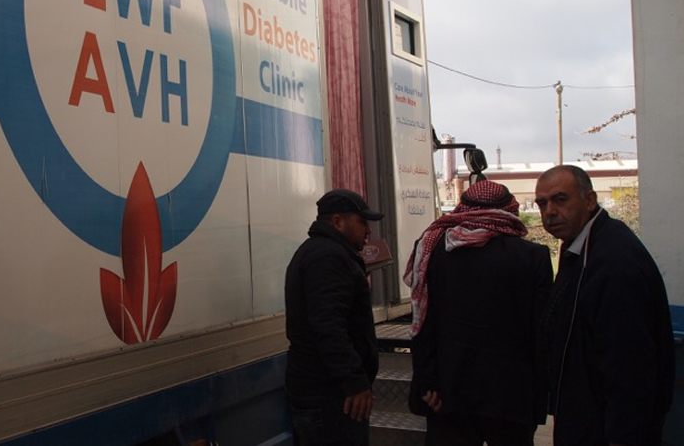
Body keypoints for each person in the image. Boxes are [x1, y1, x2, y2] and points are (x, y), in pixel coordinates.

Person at [403, 180, 553, 446]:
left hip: (449, 391)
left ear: (463, 208)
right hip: (511, 395)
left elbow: (422, 321)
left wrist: (427, 381)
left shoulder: (433, 251)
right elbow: (541, 333)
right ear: (510, 209)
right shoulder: (533, 256)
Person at [535, 165, 674, 446]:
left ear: (589, 201)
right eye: (542, 203)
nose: (550, 211)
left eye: (560, 199)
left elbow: (630, 366)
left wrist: (623, 436)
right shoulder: (580, 249)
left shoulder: (613, 262)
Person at [285, 189, 384, 446]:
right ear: (338, 222)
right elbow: (329, 327)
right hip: (329, 396)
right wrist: (354, 382)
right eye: (362, 222)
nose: (368, 231)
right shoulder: (328, 257)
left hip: (323, 391)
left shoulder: (323, 252)